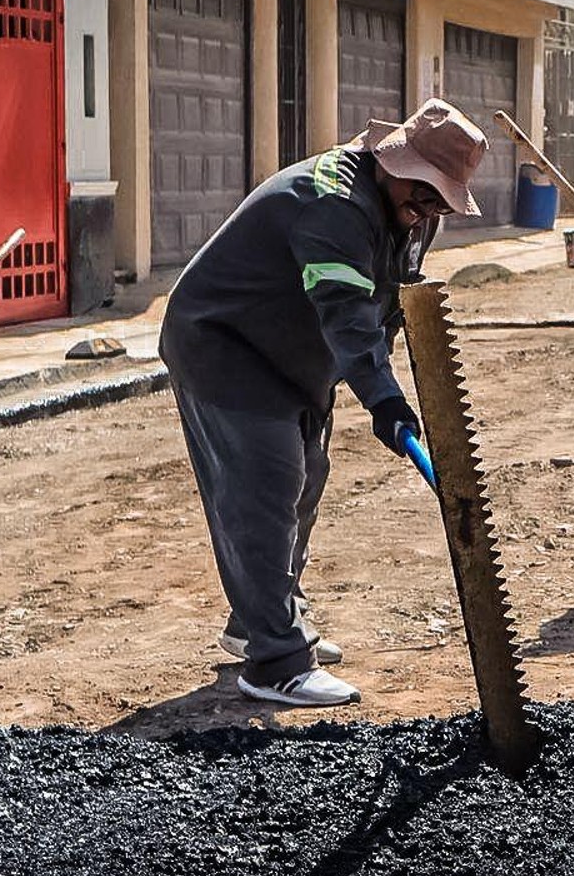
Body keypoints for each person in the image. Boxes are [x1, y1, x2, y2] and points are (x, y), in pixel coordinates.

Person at [160, 99, 486, 706]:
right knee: (266, 486)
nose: (426, 214)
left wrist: (377, 383)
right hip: (225, 344)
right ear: (393, 162)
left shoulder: (410, 211)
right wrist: (382, 397)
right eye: (421, 197)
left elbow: (386, 301)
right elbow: (346, 312)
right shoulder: (333, 203)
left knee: (307, 475)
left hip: (292, 354)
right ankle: (276, 661)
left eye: (439, 203)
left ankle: (261, 618)